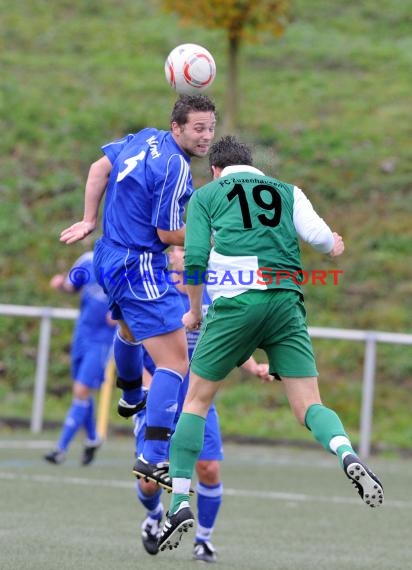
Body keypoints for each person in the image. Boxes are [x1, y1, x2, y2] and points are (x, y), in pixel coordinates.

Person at [157, 135, 384, 552]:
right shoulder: (288, 191)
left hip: (235, 303)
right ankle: (346, 453)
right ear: (254, 166)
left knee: (196, 402)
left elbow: (194, 259)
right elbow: (321, 240)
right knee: (307, 406)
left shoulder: (207, 195)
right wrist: (334, 243)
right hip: (286, 303)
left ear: (216, 170)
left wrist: (193, 310)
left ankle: (177, 505)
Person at [60, 95, 217, 487]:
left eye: (210, 128)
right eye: (198, 128)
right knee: (176, 361)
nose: (206, 136)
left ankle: (131, 394)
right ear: (177, 127)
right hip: (139, 265)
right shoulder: (176, 167)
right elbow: (166, 233)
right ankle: (153, 456)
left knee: (129, 330)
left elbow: (99, 168)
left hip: (107, 255)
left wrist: (88, 219)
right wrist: (211, 238)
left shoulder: (144, 137)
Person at [134, 246, 272, 562]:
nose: (187, 253)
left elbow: (226, 340)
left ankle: (204, 540)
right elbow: (130, 343)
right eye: (181, 248)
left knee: (208, 468)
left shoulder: (212, 292)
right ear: (169, 255)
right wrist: (146, 384)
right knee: (149, 480)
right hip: (160, 400)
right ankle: (154, 516)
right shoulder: (154, 292)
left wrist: (254, 367)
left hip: (198, 398)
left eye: (192, 248)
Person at [44, 250, 116, 465]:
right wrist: (60, 284)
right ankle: (93, 438)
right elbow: (70, 286)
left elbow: (137, 299)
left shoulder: (126, 266)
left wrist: (122, 312)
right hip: (82, 335)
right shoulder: (87, 261)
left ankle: (60, 449)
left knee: (81, 390)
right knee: (81, 391)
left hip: (103, 341)